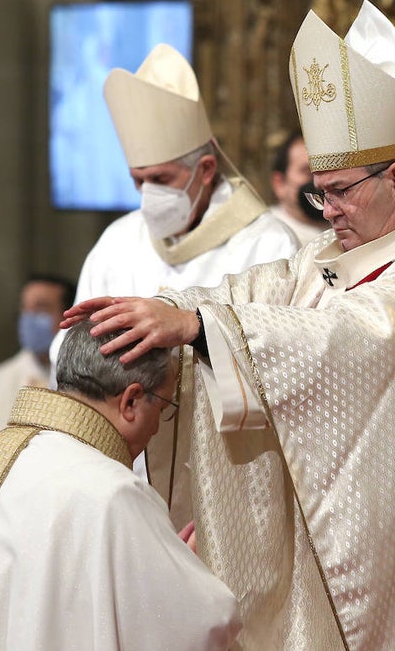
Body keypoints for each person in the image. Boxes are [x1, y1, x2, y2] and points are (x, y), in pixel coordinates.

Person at [63, 0, 395, 651]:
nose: (327, 212)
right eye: (318, 195)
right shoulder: (329, 254)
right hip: (330, 547)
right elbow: (252, 293)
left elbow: (359, 336)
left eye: (338, 192)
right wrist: (164, 309)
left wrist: (202, 328)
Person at [0, 320, 241, 651]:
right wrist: (180, 584)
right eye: (162, 409)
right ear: (130, 401)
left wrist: (151, 562)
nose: (157, 427)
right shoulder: (112, 492)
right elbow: (188, 637)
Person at [55, 43, 298, 525]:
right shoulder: (117, 242)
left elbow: (284, 356)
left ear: (205, 171)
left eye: (161, 178)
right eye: (137, 180)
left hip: (227, 481)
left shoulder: (269, 245)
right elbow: (70, 354)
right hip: (114, 476)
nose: (147, 195)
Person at [0, 274, 75, 446]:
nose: (29, 317)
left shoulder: (87, 379)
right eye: (25, 308)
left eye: (41, 308)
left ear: (69, 316)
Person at [269, 130, 329, 244]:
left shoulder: (350, 229)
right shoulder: (269, 237)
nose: (319, 182)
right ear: (279, 184)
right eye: (308, 172)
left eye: (326, 171)